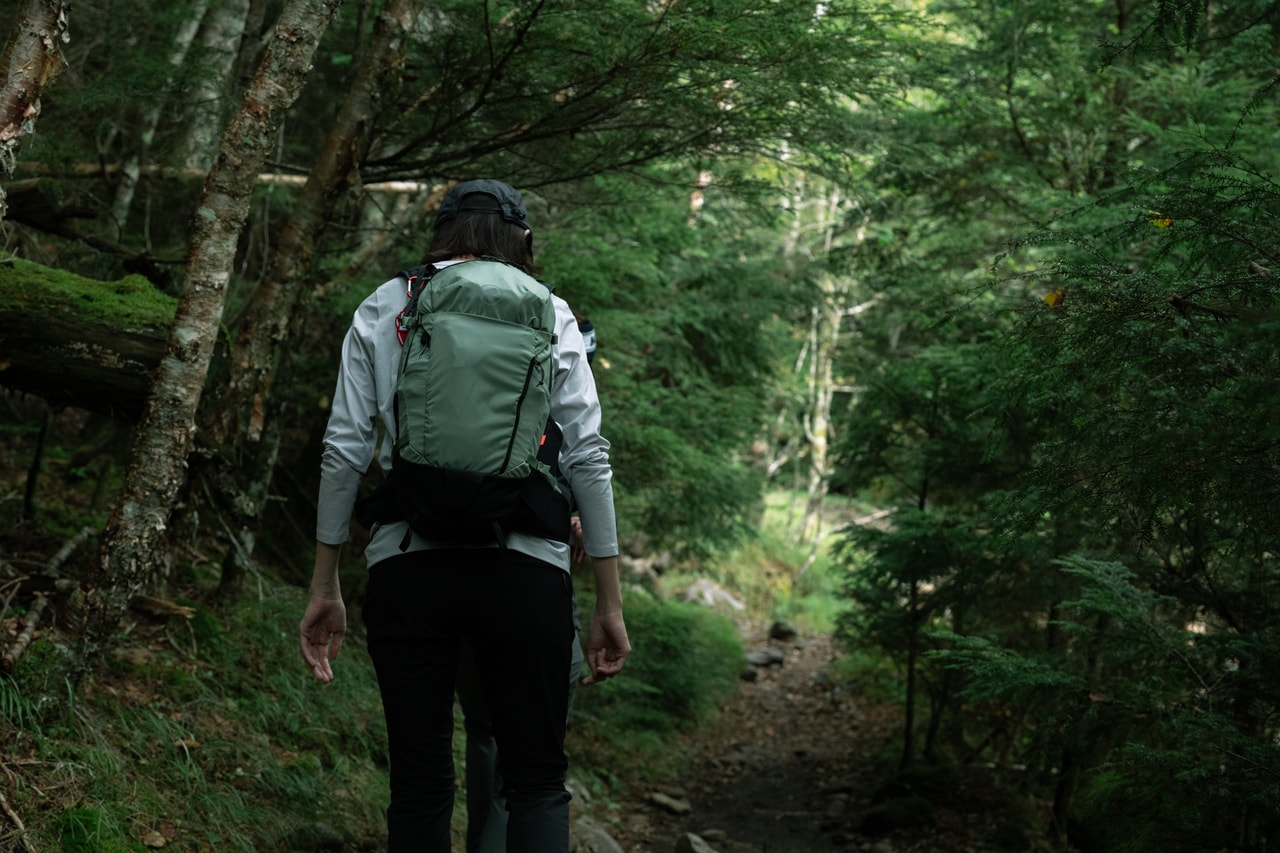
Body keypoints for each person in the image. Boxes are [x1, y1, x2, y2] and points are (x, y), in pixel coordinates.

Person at [299, 179, 631, 853]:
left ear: (442, 232)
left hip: (409, 563)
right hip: (526, 570)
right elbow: (589, 456)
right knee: (536, 780)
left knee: (419, 784)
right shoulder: (551, 313)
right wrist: (608, 597)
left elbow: (344, 447)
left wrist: (325, 581)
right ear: (524, 242)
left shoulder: (388, 304)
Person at [457, 312, 600, 853]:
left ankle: (485, 842)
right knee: (533, 750)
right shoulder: (571, 416)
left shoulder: (483, 391)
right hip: (536, 587)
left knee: (487, 733)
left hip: (458, 576)